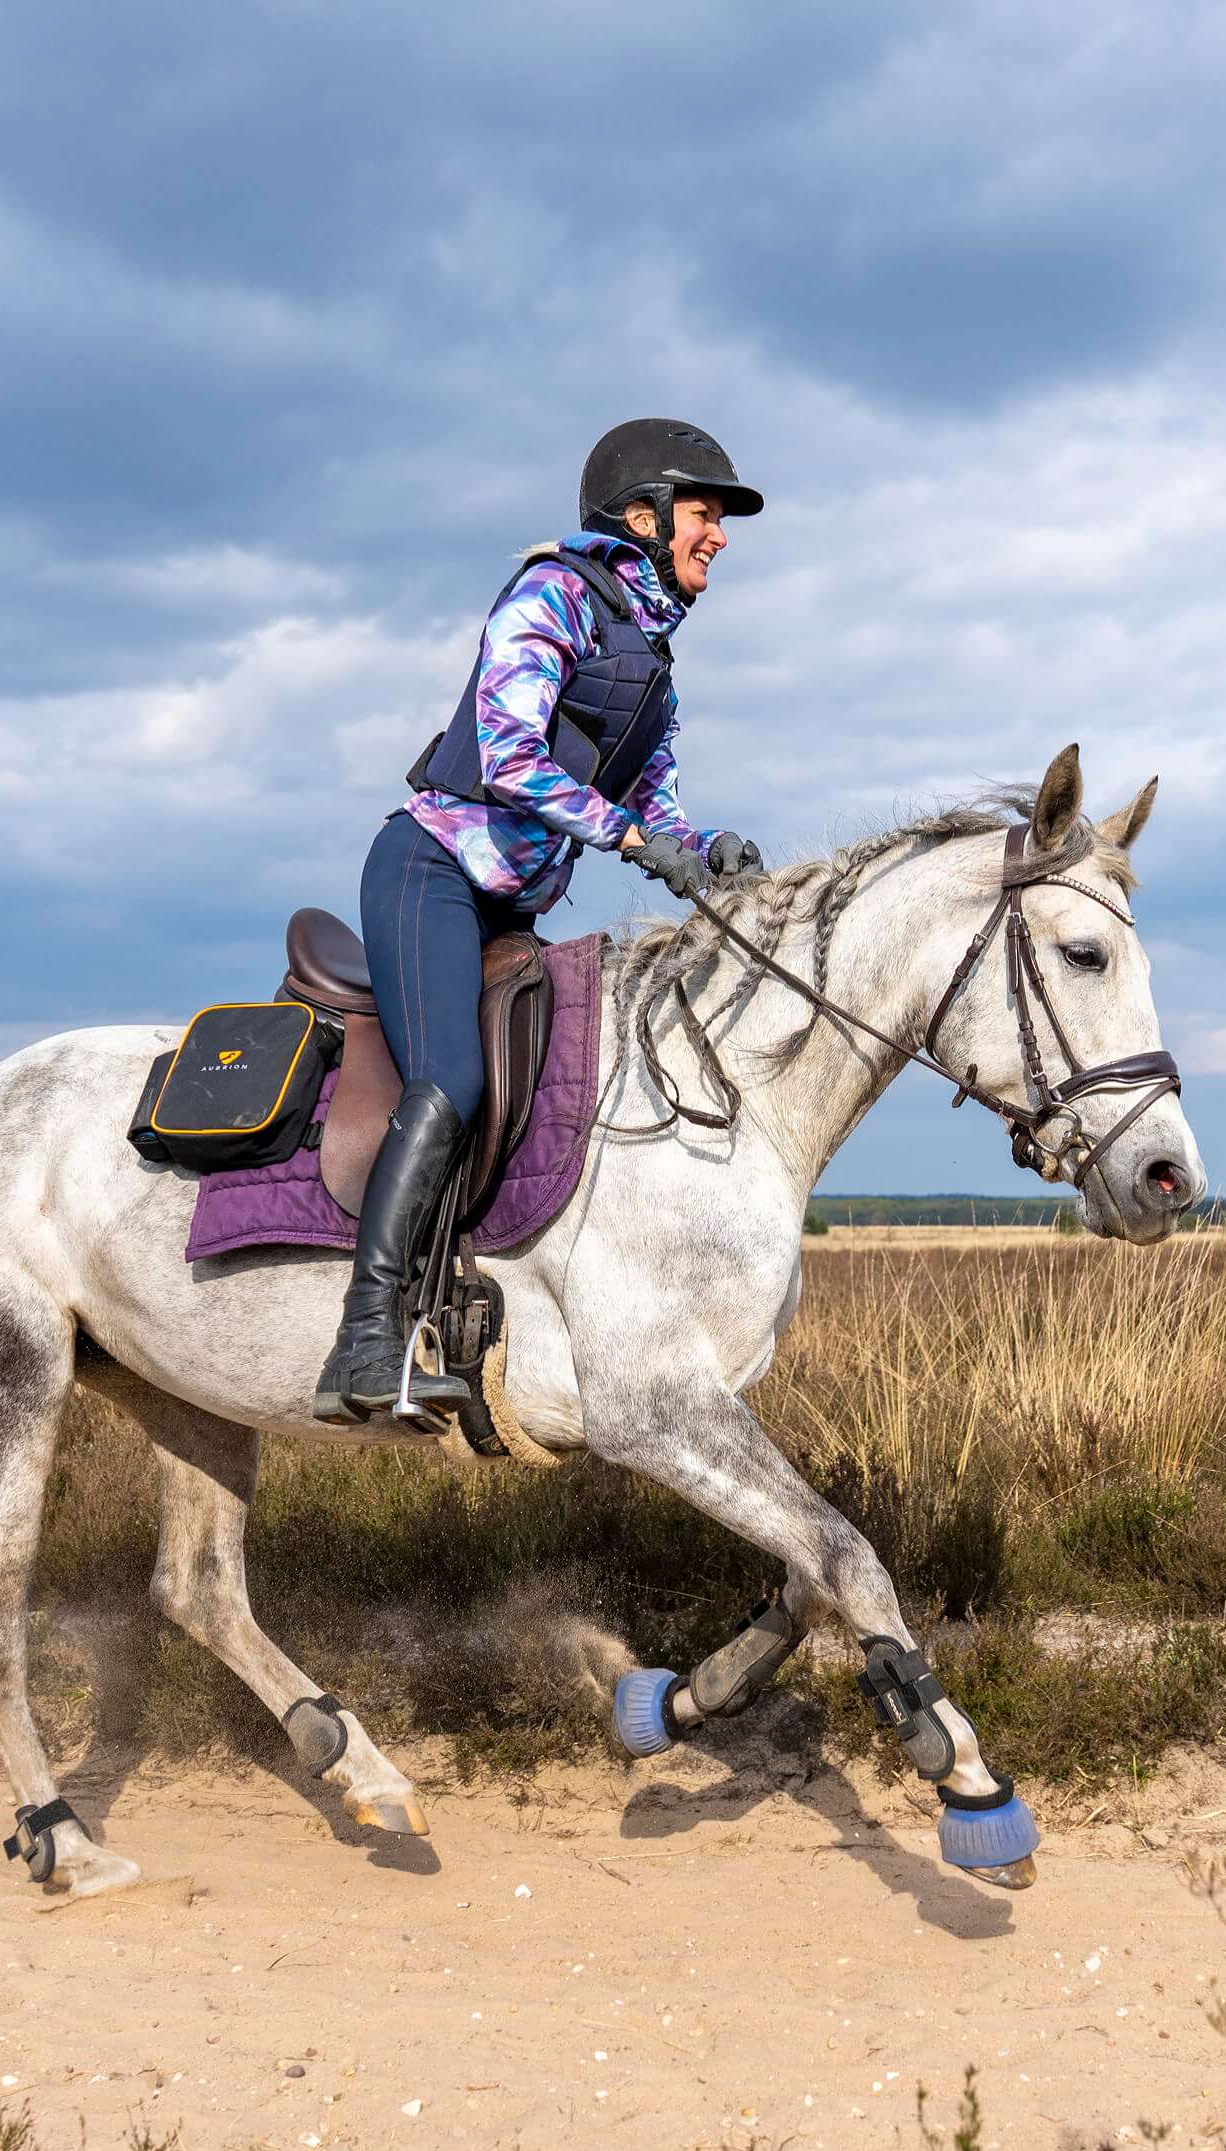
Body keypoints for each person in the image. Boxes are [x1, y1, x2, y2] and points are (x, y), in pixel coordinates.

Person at [311, 418, 772, 1423]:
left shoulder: (648, 655)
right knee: (454, 1079)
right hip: (433, 871)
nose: (721, 536)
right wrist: (629, 840)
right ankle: (365, 1340)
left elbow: (657, 802)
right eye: (706, 513)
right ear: (642, 515)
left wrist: (704, 848)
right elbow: (510, 751)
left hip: (509, 905)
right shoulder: (551, 594)